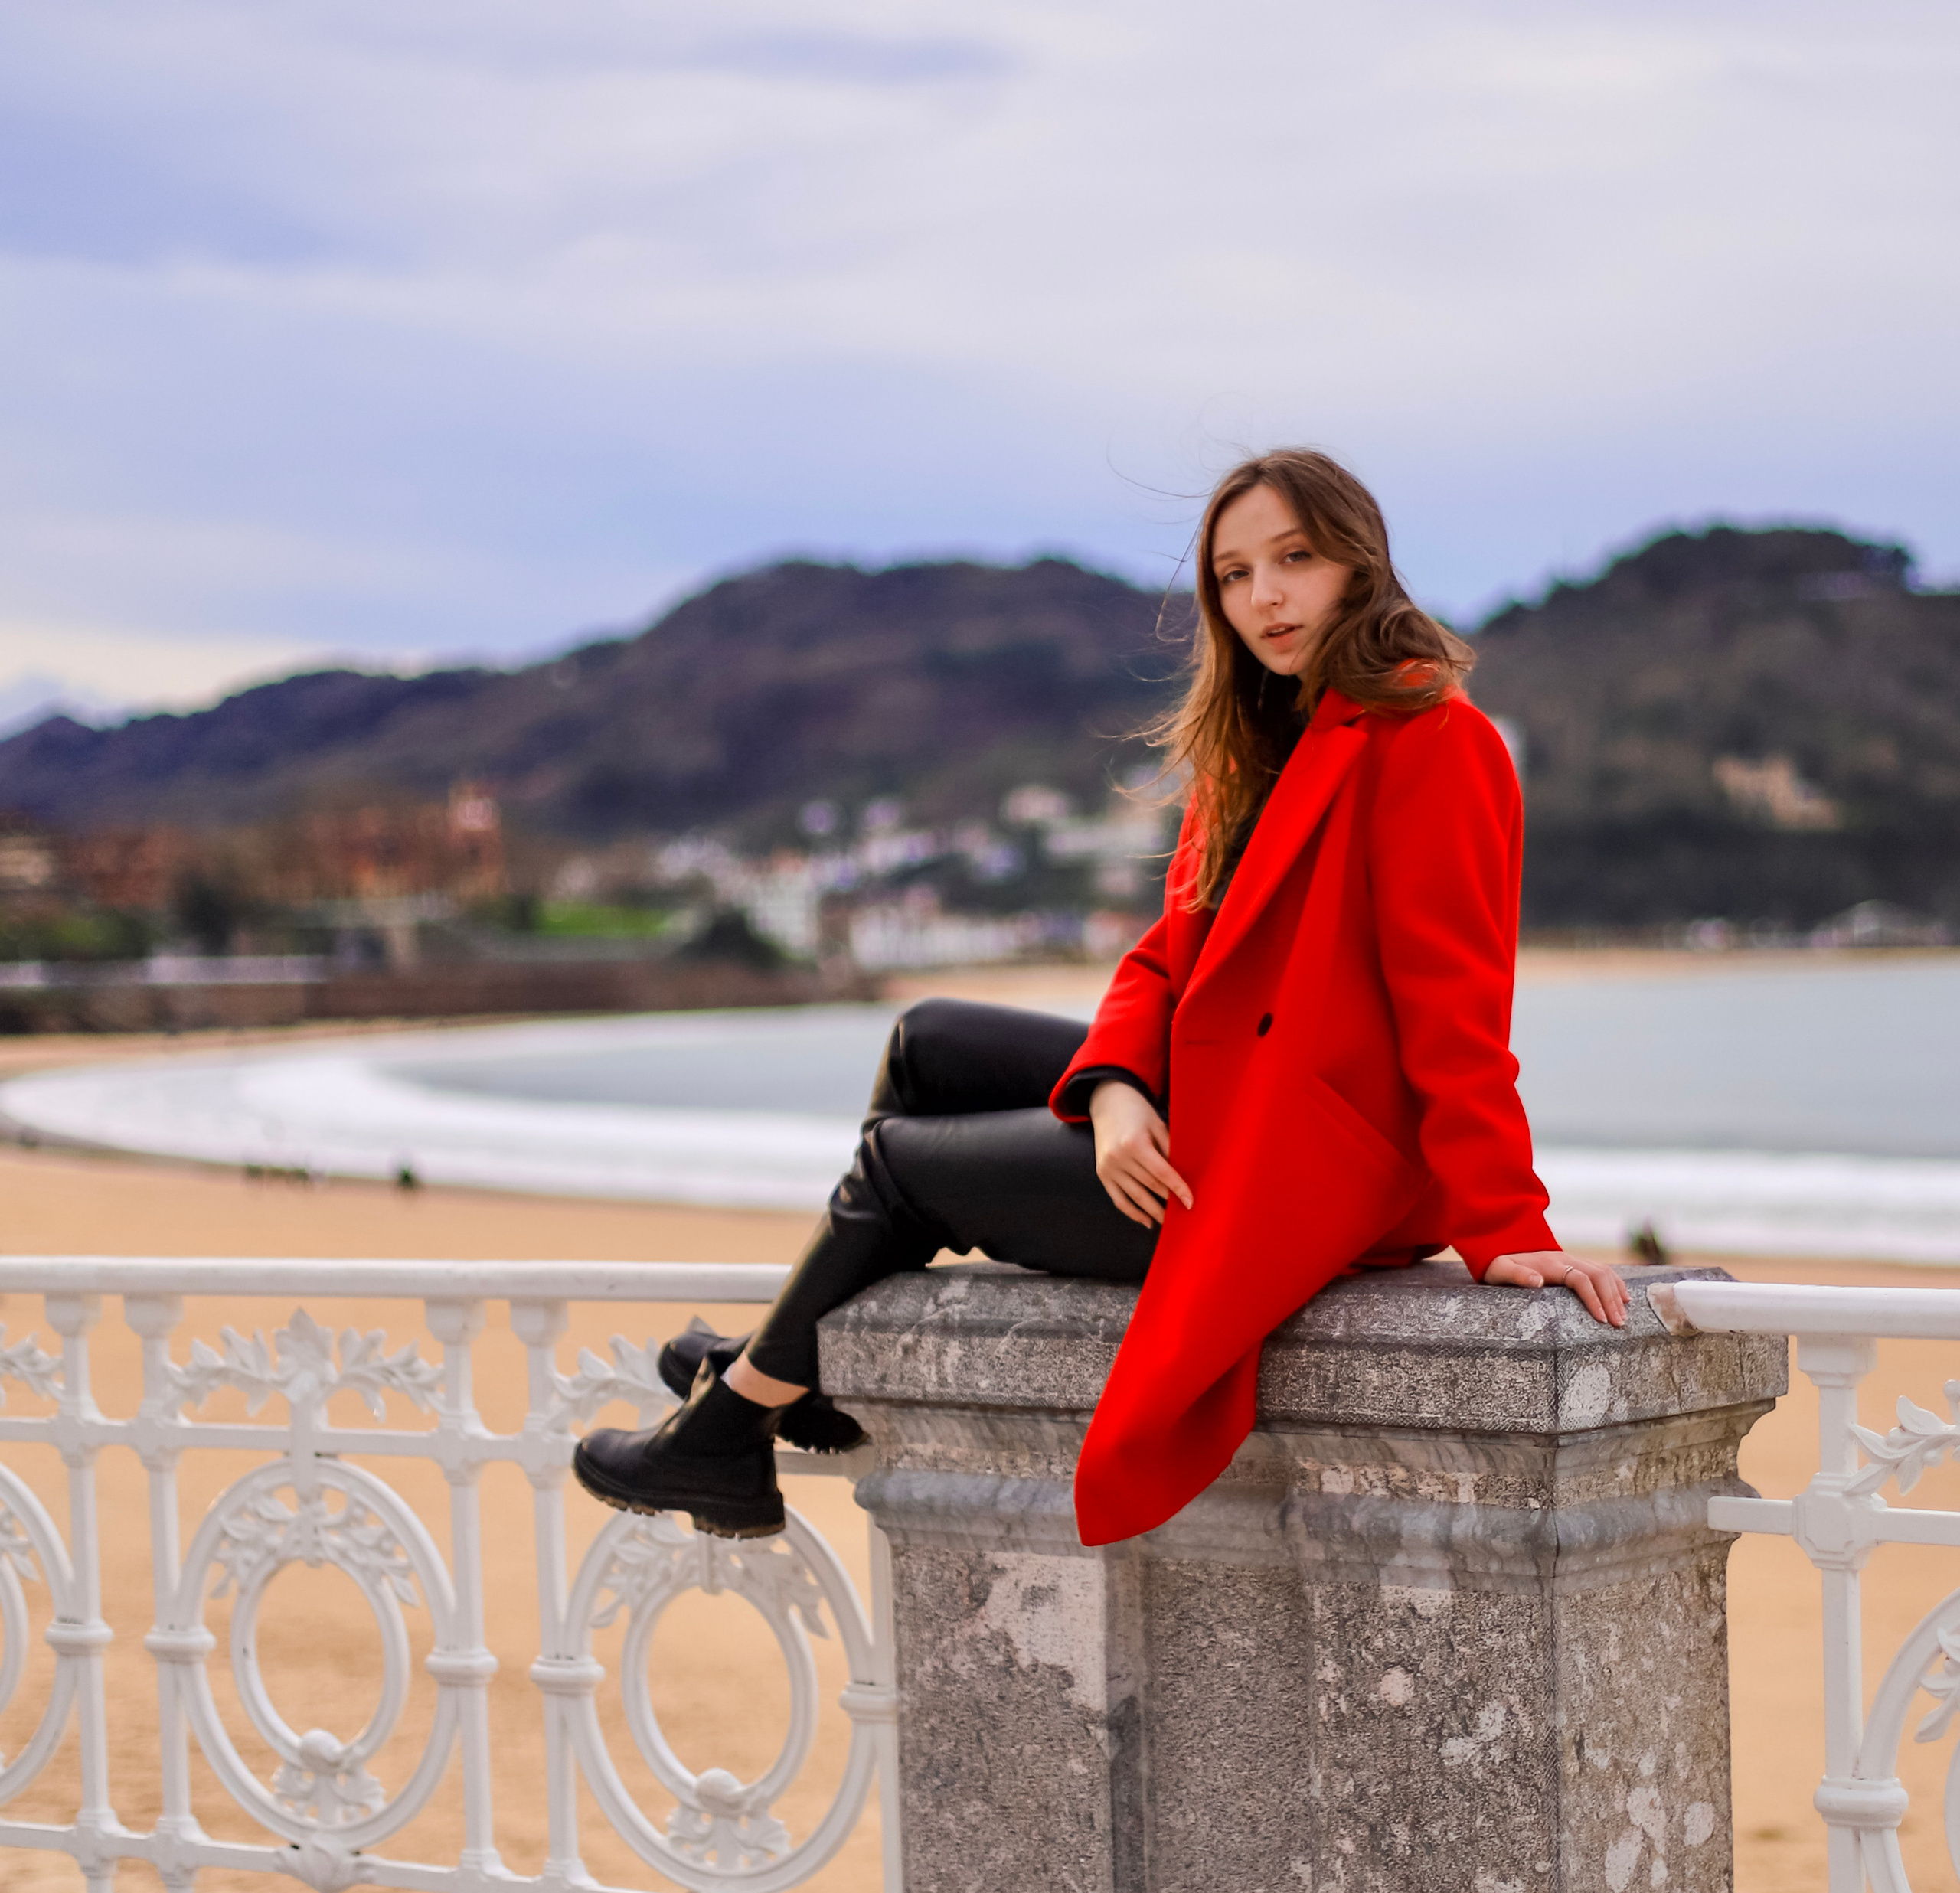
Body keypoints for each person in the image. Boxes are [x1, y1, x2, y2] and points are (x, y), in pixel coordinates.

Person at [573, 449, 1629, 1545]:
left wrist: (1506, 1222)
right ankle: (804, 1371)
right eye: (1232, 574)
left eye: (1294, 559)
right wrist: (1118, 1090)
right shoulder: (1258, 745)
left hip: (1296, 1167)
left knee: (900, 1169)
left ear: (1359, 564)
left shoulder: (1431, 740)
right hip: (1216, 1096)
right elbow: (1163, 960)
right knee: (928, 1042)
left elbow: (1452, 1005)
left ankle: (732, 1426)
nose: (1264, 596)